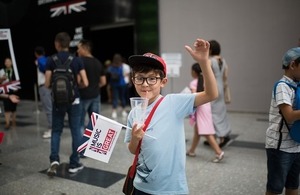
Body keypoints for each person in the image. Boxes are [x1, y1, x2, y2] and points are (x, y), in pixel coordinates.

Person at [124, 38, 218, 194]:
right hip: (141, 186)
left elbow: (211, 94)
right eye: (140, 78)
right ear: (133, 80)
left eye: (152, 78)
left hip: (171, 188)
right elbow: (133, 150)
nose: (145, 84)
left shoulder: (174, 103)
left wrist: (204, 62)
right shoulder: (134, 112)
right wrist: (135, 138)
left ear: (163, 82)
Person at [44, 32, 89, 176]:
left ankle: (54, 160)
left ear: (56, 44)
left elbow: (46, 84)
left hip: (57, 101)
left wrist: (57, 90)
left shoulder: (51, 60)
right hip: (74, 100)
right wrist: (75, 87)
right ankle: (74, 164)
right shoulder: (76, 60)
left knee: (56, 130)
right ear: (69, 44)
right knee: (76, 131)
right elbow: (85, 82)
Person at [265, 47, 300, 195]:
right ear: (292, 65)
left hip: (296, 145)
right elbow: (289, 115)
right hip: (280, 148)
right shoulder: (282, 86)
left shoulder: (297, 86)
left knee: (293, 186)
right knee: (275, 188)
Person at [186, 62, 224, 162]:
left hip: (200, 108)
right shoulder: (205, 81)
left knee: (206, 132)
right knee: (198, 130)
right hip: (206, 106)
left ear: (194, 72)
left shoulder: (194, 82)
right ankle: (191, 150)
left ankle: (219, 152)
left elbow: (194, 95)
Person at [204, 40, 231, 148]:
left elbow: (206, 75)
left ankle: (221, 136)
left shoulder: (210, 60)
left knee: (212, 114)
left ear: (210, 49)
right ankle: (219, 136)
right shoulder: (223, 60)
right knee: (221, 112)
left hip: (212, 87)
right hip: (221, 87)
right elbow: (225, 75)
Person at [77, 39, 106, 133]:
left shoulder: (79, 61)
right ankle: (92, 145)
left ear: (85, 49)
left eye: (79, 48)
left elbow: (77, 81)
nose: (77, 51)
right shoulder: (98, 62)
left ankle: (81, 146)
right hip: (96, 95)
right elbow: (103, 82)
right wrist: (95, 87)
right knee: (95, 123)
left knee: (79, 123)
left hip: (82, 96)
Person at [34, 46, 53, 139]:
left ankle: (51, 129)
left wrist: (47, 84)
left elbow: (46, 71)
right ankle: (53, 128)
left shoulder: (41, 61)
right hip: (48, 86)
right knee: (51, 108)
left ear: (36, 54)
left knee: (48, 108)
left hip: (44, 86)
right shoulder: (47, 59)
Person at [0, 57, 19, 130]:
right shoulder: (2, 71)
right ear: (4, 63)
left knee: (13, 106)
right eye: (6, 62)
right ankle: (7, 122)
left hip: (14, 90)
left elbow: (17, 80)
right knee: (6, 107)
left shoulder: (15, 70)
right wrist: (2, 79)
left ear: (11, 62)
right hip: (5, 91)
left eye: (9, 61)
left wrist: (16, 87)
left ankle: (13, 121)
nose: (7, 63)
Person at [107, 53, 128, 119]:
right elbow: (125, 74)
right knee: (122, 97)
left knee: (115, 98)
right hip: (122, 83)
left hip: (114, 83)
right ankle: (124, 111)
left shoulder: (111, 66)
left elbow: (108, 72)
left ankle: (114, 112)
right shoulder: (122, 65)